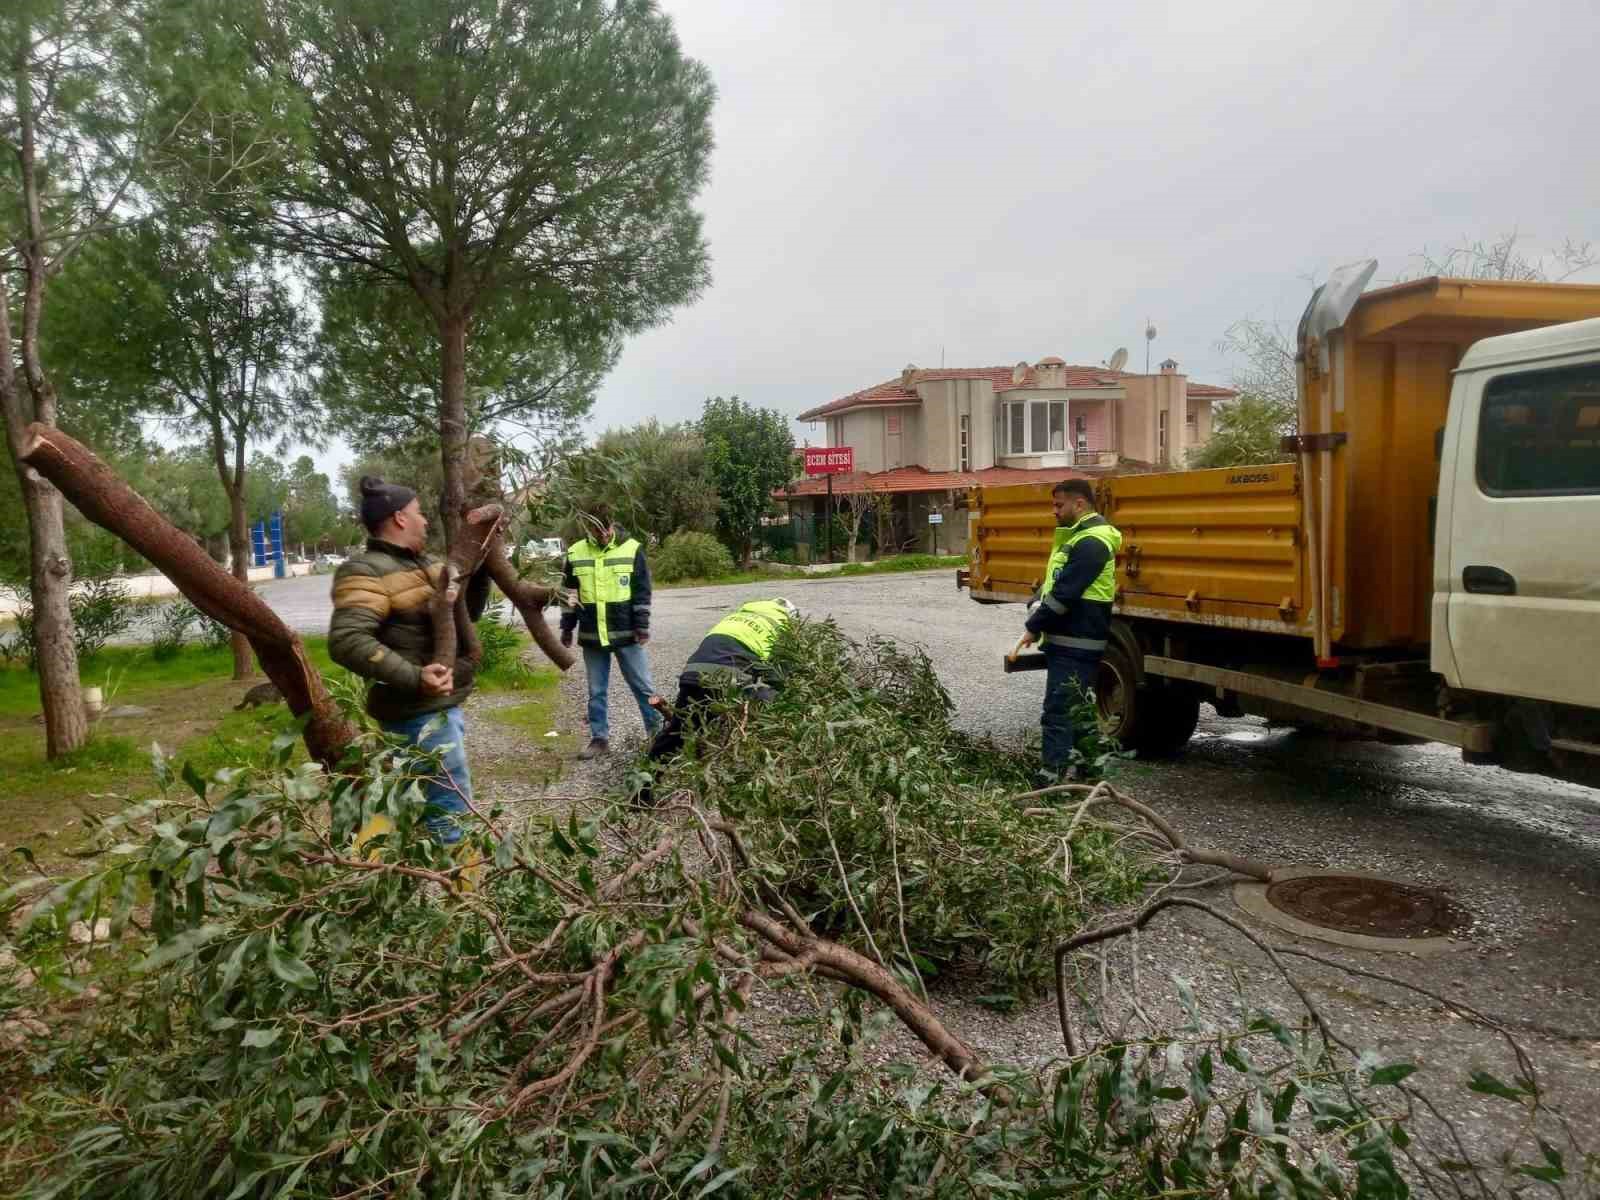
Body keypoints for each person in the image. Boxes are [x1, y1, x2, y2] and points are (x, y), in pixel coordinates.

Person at [329, 477, 489, 846]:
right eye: (419, 513)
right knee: (452, 815)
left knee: (405, 808)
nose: (426, 521)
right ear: (400, 518)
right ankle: (466, 899)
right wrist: (416, 677)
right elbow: (347, 640)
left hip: (440, 709)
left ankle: (387, 875)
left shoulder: (429, 565)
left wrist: (479, 577)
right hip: (417, 716)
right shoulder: (365, 572)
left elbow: (466, 616)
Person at [636, 598, 797, 804]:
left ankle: (640, 795)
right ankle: (771, 786)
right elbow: (779, 677)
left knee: (677, 733)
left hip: (695, 672)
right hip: (731, 677)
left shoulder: (739, 616)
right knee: (776, 718)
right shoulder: (783, 627)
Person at [1019, 478, 1122, 784]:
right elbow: (1057, 583)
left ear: (1079, 504)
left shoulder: (1091, 542)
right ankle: (1091, 773)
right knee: (1080, 711)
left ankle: (1050, 780)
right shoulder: (1079, 538)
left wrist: (1033, 628)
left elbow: (1066, 593)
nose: (1054, 511)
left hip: (1076, 641)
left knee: (1059, 711)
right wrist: (1037, 601)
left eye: (1058, 505)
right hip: (1074, 640)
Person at [559, 504, 661, 759]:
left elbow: (641, 590)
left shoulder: (632, 549)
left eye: (604, 528)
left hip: (627, 633)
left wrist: (642, 625)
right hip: (592, 635)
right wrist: (567, 627)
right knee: (596, 691)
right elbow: (570, 594)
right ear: (588, 528)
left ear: (612, 524)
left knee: (644, 688)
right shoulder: (575, 553)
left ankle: (658, 735)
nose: (601, 534)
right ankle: (599, 739)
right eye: (595, 529)